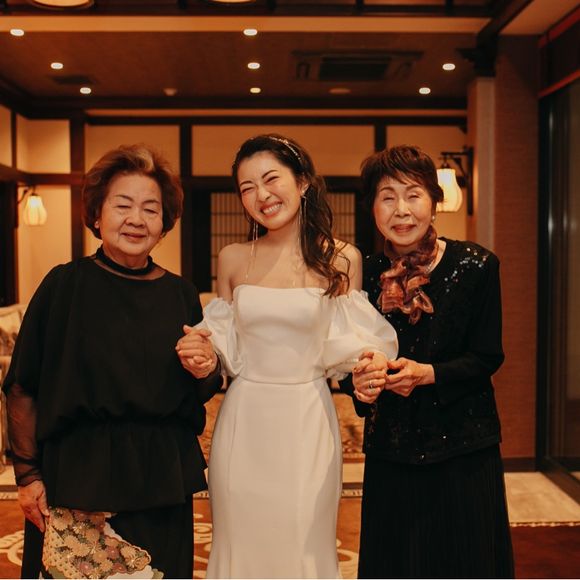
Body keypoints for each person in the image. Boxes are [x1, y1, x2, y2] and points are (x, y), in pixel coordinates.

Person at [175, 134, 398, 579]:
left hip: (307, 418)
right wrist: (201, 352)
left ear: (303, 182)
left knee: (304, 543)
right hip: (244, 420)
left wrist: (370, 365)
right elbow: (222, 343)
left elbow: (355, 342)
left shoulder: (342, 258)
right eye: (247, 187)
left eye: (270, 179)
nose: (261, 195)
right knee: (240, 543)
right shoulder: (234, 258)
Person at [3, 144, 222, 579]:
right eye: (123, 205)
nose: (136, 219)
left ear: (164, 223)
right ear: (97, 215)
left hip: (160, 476)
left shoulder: (180, 293)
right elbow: (23, 385)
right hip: (78, 477)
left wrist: (206, 368)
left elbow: (197, 385)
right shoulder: (64, 286)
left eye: (150, 209)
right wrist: (27, 477)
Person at [344, 144, 514, 578]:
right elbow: (347, 362)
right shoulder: (362, 275)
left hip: (464, 446)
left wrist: (428, 374)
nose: (401, 210)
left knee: (466, 560)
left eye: (413, 194)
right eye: (387, 197)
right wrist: (360, 383)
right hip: (391, 447)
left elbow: (487, 356)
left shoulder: (476, 265)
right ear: (373, 208)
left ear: (434, 202)